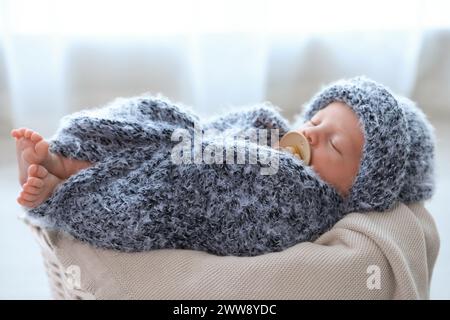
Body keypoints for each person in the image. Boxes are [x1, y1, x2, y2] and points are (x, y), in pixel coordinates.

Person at [12, 76, 435, 256]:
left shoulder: (312, 206)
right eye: (315, 120)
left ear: (357, 191)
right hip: (192, 145)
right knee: (154, 115)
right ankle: (67, 156)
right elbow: (217, 131)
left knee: (146, 205)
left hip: (185, 193)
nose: (309, 135)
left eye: (334, 146)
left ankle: (62, 190)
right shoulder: (278, 133)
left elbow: (241, 220)